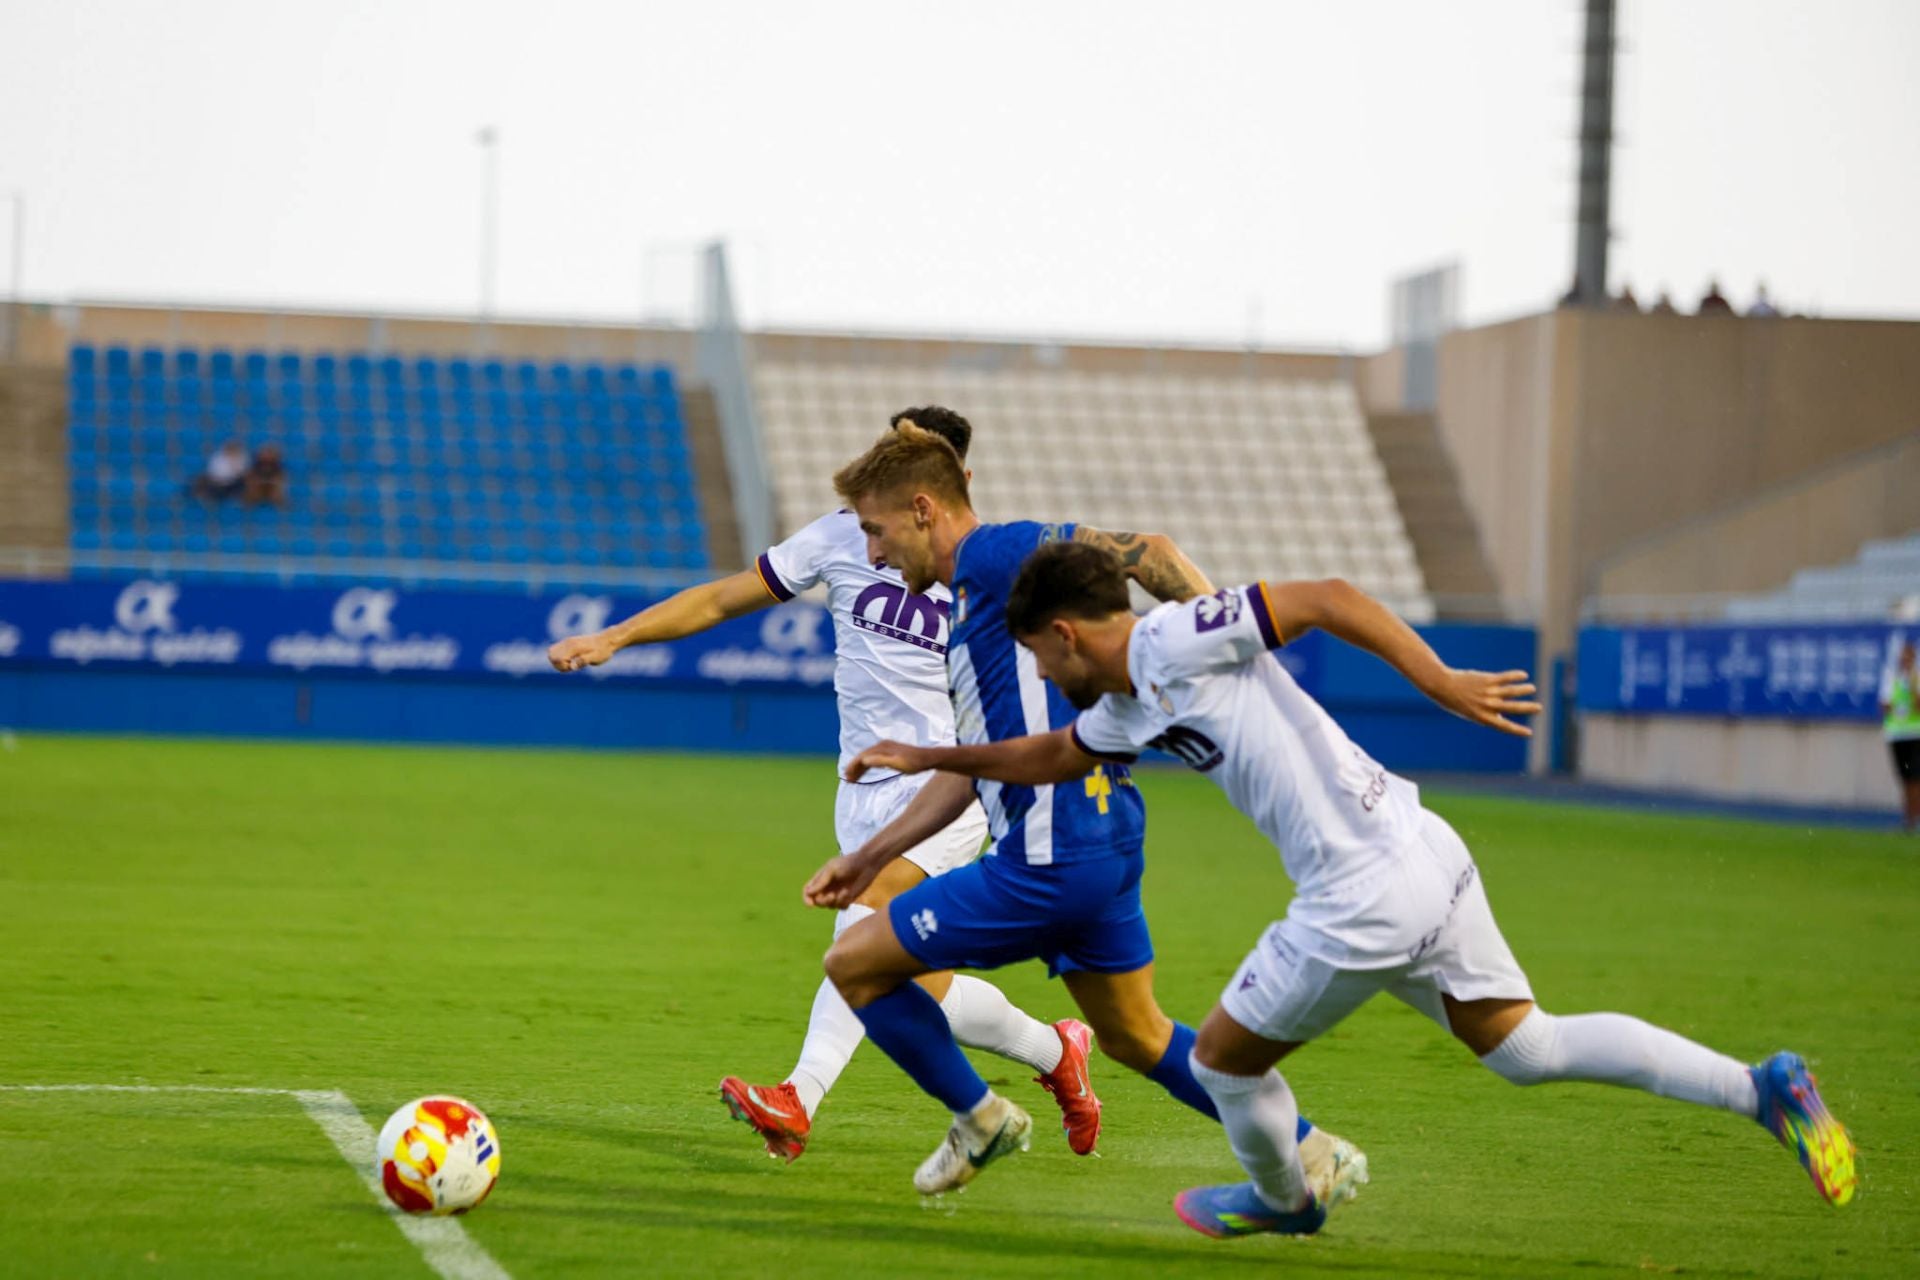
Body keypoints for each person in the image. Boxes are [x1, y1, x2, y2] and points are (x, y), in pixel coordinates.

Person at [850, 542, 1859, 1236]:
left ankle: (1285, 1198)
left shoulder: (1170, 639)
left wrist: (1441, 679)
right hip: (1422, 846)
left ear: (1064, 633)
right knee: (1527, 1044)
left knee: (1232, 1064)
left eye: (1036, 653)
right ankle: (1760, 1085)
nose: (1040, 668)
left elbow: (1328, 595)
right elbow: (1051, 752)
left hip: (1362, 890)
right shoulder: (1126, 704)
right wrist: (933, 748)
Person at [803, 424, 1367, 1202]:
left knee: (855, 964)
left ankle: (981, 1117)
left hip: (1047, 854)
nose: (871, 554)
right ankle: (1311, 1151)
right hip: (1104, 843)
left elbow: (1154, 554)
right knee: (1139, 1038)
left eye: (876, 530)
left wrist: (1246, 674)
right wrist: (871, 857)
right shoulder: (970, 611)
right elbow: (978, 766)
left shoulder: (998, 555)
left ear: (925, 510)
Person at [546, 408, 1101, 1163]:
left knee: (865, 929)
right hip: (863, 787)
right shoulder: (844, 535)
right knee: (919, 986)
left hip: (946, 787)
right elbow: (721, 598)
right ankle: (1055, 1051)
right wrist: (614, 636)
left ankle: (799, 1097)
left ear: (944, 482)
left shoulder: (993, 564)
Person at [1881, 639, 1920, 833]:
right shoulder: (1891, 677)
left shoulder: (1917, 678)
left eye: (1908, 656)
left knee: (1915, 777)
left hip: (1914, 733)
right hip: (1896, 734)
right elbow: (1884, 705)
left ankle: (1914, 818)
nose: (1904, 660)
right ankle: (1909, 818)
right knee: (1904, 778)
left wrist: (1912, 685)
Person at [191, 439, 250, 503]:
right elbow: (212, 470)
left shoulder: (243, 458)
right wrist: (217, 479)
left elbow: (242, 473)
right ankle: (197, 495)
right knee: (201, 479)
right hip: (217, 480)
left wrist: (234, 464)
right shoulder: (218, 457)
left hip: (234, 482)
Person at [245, 443, 288, 508]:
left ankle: (280, 510)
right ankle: (249, 509)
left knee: (278, 489)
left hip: (272, 486)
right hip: (259, 486)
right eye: (265, 454)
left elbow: (281, 477)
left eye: (270, 454)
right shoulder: (256, 465)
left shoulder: (277, 465)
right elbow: (251, 476)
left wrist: (273, 481)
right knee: (252, 488)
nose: (267, 456)